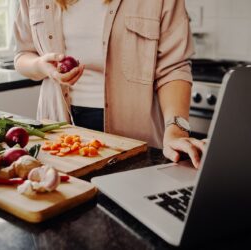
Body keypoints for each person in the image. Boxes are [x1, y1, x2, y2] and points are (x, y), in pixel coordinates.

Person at [13, 0, 205, 168]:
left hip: (134, 137)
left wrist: (176, 131)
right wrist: (40, 65)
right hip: (59, 131)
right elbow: (22, 55)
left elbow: (174, 67)